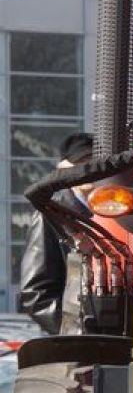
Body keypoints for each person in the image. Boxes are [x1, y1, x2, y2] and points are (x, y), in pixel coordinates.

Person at [17, 132, 94, 334]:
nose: (88, 170)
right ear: (63, 170)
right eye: (81, 163)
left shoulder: (115, 210)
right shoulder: (49, 216)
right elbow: (36, 294)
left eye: (94, 162)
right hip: (81, 344)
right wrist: (73, 332)